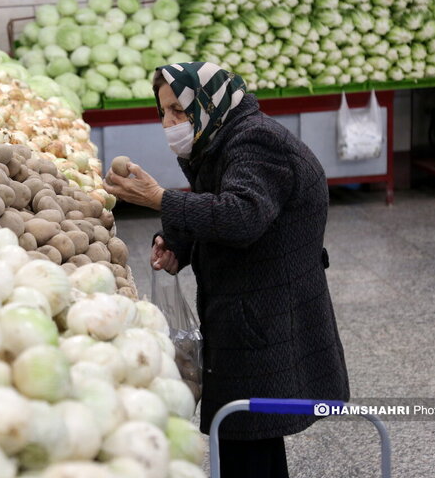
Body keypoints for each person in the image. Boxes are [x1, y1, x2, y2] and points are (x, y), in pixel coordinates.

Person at [103, 62, 350, 478]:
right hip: (247, 302)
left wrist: (161, 200)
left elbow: (242, 215)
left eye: (178, 111)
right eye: (163, 112)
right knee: (248, 430)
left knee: (245, 426)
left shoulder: (256, 141)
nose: (169, 123)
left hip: (269, 309)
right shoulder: (218, 138)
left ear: (208, 102)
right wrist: (177, 242)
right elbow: (214, 200)